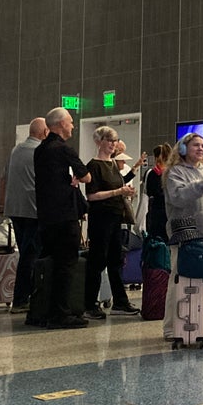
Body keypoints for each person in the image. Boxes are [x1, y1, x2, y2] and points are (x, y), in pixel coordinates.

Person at [33, 107, 91, 329]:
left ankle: (43, 308)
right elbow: (86, 176)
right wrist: (75, 179)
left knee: (48, 262)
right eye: (70, 122)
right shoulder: (64, 149)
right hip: (65, 215)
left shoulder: (41, 150)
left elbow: (51, 178)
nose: (73, 126)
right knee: (66, 264)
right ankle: (61, 312)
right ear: (59, 125)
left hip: (46, 215)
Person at [162, 131, 203, 338]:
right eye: (195, 145)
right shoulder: (175, 172)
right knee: (179, 280)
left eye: (202, 146)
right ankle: (172, 327)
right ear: (182, 149)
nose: (200, 149)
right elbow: (179, 197)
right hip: (184, 235)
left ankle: (200, 324)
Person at [82, 126, 140, 318]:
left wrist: (126, 192)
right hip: (101, 218)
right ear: (99, 142)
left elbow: (119, 186)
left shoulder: (113, 165)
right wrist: (118, 192)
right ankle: (90, 303)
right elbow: (91, 196)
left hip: (115, 217)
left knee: (116, 260)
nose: (113, 144)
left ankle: (120, 301)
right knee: (97, 261)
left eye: (114, 141)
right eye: (109, 141)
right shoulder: (93, 166)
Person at [1, 117, 48, 313]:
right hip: (32, 210)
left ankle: (23, 296)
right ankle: (21, 299)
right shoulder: (40, 152)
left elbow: (5, 177)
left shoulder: (16, 150)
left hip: (15, 210)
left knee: (26, 253)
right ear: (45, 133)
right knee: (31, 255)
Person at [143, 143, 173, 242]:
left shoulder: (170, 173)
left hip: (166, 212)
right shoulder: (153, 174)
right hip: (158, 212)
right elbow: (152, 192)